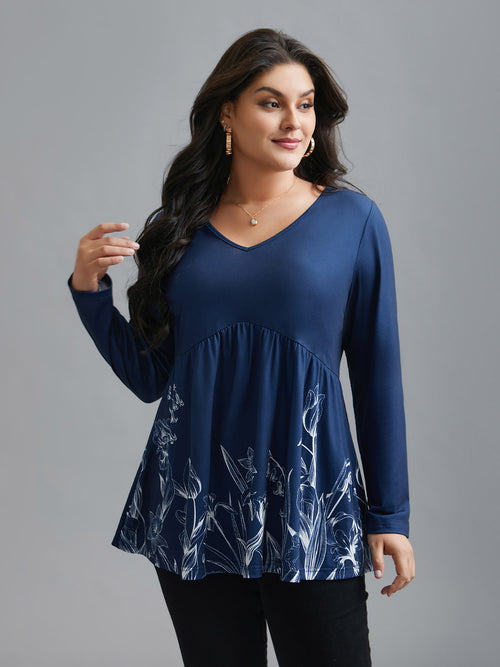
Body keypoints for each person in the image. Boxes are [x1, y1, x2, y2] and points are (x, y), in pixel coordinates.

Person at [68, 27, 415, 667]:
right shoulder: (179, 228)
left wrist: (389, 515)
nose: (294, 122)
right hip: (194, 502)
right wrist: (90, 294)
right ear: (227, 113)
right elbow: (153, 377)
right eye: (271, 102)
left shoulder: (353, 222)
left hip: (312, 502)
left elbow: (377, 374)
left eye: (305, 104)